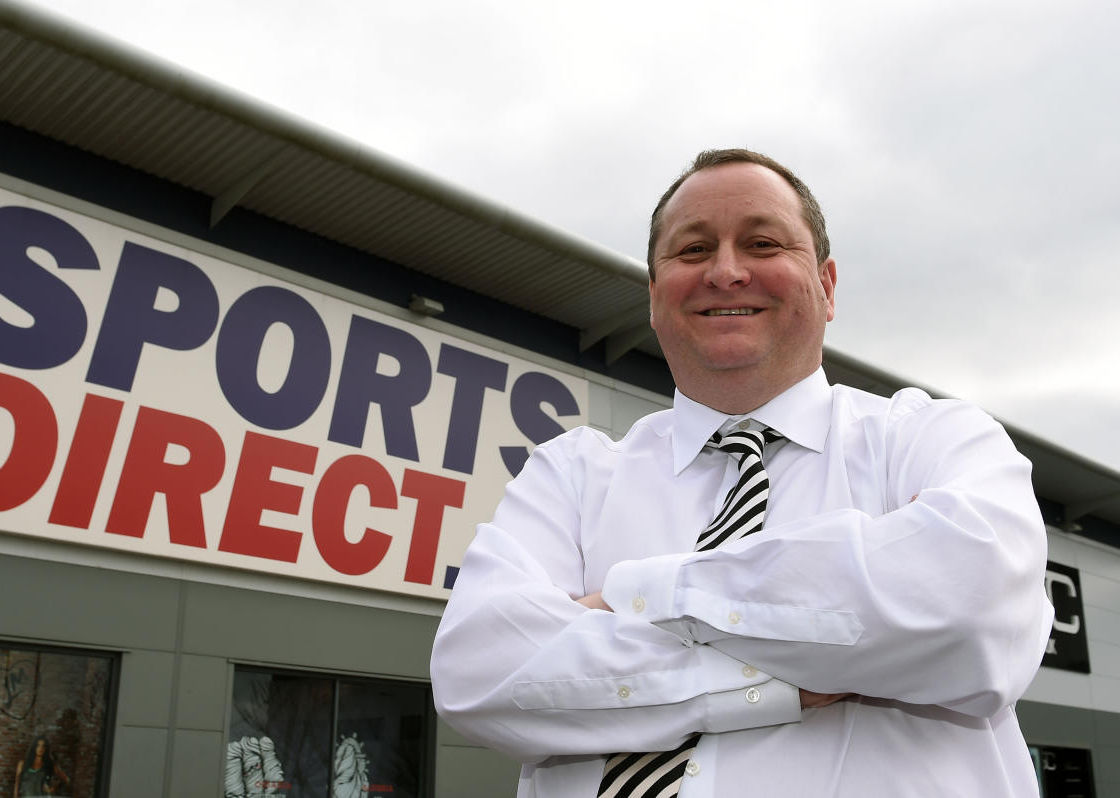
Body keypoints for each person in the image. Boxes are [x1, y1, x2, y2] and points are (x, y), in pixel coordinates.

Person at [430, 149, 1054, 797]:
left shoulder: (932, 438)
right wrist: (791, 673)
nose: (726, 273)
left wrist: (637, 597)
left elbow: (973, 612)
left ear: (828, 285)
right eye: (693, 250)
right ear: (653, 295)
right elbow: (477, 674)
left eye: (761, 242)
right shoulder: (571, 474)